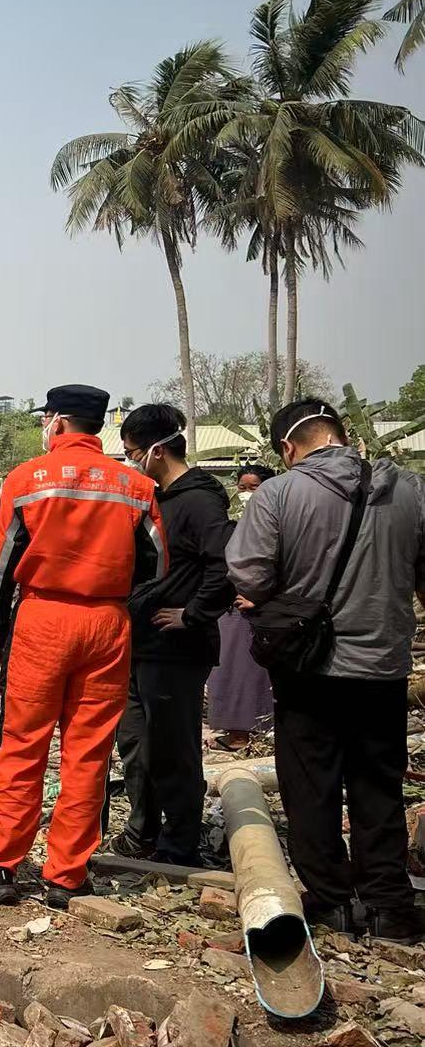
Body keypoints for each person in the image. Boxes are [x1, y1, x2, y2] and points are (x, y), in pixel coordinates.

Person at [226, 399, 425, 943]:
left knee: (310, 784)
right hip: (383, 667)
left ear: (288, 448)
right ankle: (389, 907)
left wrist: (283, 596)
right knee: (379, 786)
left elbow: (248, 572)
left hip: (309, 669)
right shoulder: (410, 489)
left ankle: (332, 901)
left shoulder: (280, 492)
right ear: (340, 432)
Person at [0, 384, 165, 909]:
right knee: (88, 754)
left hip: (41, 621)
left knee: (21, 746)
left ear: (57, 423)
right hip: (107, 624)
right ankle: (67, 875)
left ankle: (3, 867)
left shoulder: (26, 479)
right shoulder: (136, 485)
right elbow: (158, 568)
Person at [108, 403, 233, 866]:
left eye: (133, 452)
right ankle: (142, 831)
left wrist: (193, 614)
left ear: (158, 450)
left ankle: (180, 844)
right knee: (138, 746)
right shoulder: (154, 498)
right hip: (141, 645)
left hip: (177, 649)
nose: (130, 461)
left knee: (173, 748)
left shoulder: (199, 500)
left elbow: (227, 565)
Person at [207, 464, 276, 751]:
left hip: (260, 606)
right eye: (242, 487)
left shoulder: (275, 518)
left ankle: (252, 732)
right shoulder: (230, 520)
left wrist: (261, 595)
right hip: (230, 604)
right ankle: (237, 732)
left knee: (253, 672)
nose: (246, 493)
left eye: (254, 487)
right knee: (228, 670)